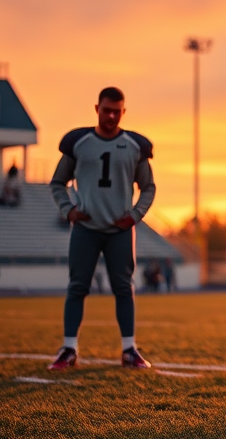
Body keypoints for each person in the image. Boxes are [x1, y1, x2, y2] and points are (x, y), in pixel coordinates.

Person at [48, 86, 157, 370]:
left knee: (124, 289)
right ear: (96, 108)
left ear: (124, 112)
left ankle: (129, 349)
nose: (111, 116)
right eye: (106, 110)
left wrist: (135, 215)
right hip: (86, 228)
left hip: (120, 230)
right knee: (77, 287)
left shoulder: (135, 146)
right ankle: (69, 348)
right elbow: (57, 181)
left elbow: (148, 187)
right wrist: (68, 210)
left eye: (116, 111)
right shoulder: (79, 142)